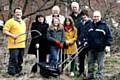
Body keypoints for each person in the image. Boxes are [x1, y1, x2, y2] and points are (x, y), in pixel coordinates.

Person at [87, 11, 113, 79]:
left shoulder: (105, 26)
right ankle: (90, 75)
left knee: (100, 64)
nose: (96, 18)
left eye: (97, 16)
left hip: (101, 49)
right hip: (91, 48)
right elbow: (87, 35)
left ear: (100, 17)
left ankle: (99, 75)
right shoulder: (90, 25)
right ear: (93, 17)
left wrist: (108, 45)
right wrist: (86, 41)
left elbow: (109, 36)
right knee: (90, 63)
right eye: (94, 16)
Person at [3, 7, 26, 76]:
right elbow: (5, 31)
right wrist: (12, 35)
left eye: (20, 13)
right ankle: (11, 73)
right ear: (14, 13)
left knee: (20, 59)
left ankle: (18, 71)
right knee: (14, 59)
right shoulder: (10, 21)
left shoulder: (23, 22)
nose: (18, 14)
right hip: (13, 45)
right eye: (17, 13)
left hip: (22, 44)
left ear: (21, 14)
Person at [77, 9, 92, 78]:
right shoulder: (80, 23)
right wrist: (78, 40)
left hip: (88, 45)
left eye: (85, 16)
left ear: (87, 16)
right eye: (82, 16)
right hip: (81, 44)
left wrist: (87, 41)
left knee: (89, 60)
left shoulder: (91, 23)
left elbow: (92, 34)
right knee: (81, 59)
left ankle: (89, 73)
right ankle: (81, 72)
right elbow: (78, 33)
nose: (84, 17)